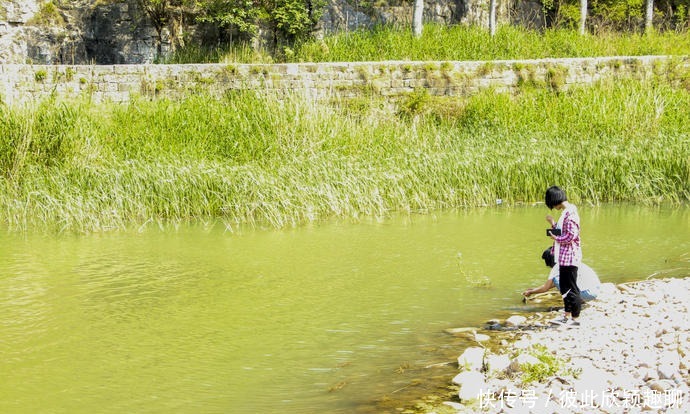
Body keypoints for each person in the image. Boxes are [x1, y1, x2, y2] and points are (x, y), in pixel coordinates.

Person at [543, 185, 583, 327]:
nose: (553, 207)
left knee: (572, 288)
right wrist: (553, 224)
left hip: (570, 257)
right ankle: (566, 316)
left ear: (555, 200)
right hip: (564, 257)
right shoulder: (566, 212)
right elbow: (563, 232)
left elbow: (571, 236)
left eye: (551, 204)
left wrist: (555, 238)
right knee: (565, 287)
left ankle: (575, 319)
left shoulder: (571, 214)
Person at [523, 247, 601, 302]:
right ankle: (579, 300)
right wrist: (534, 289)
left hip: (588, 294)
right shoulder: (570, 259)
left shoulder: (556, 269)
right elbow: (551, 285)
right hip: (597, 288)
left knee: (557, 280)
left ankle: (573, 303)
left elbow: (545, 288)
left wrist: (531, 292)